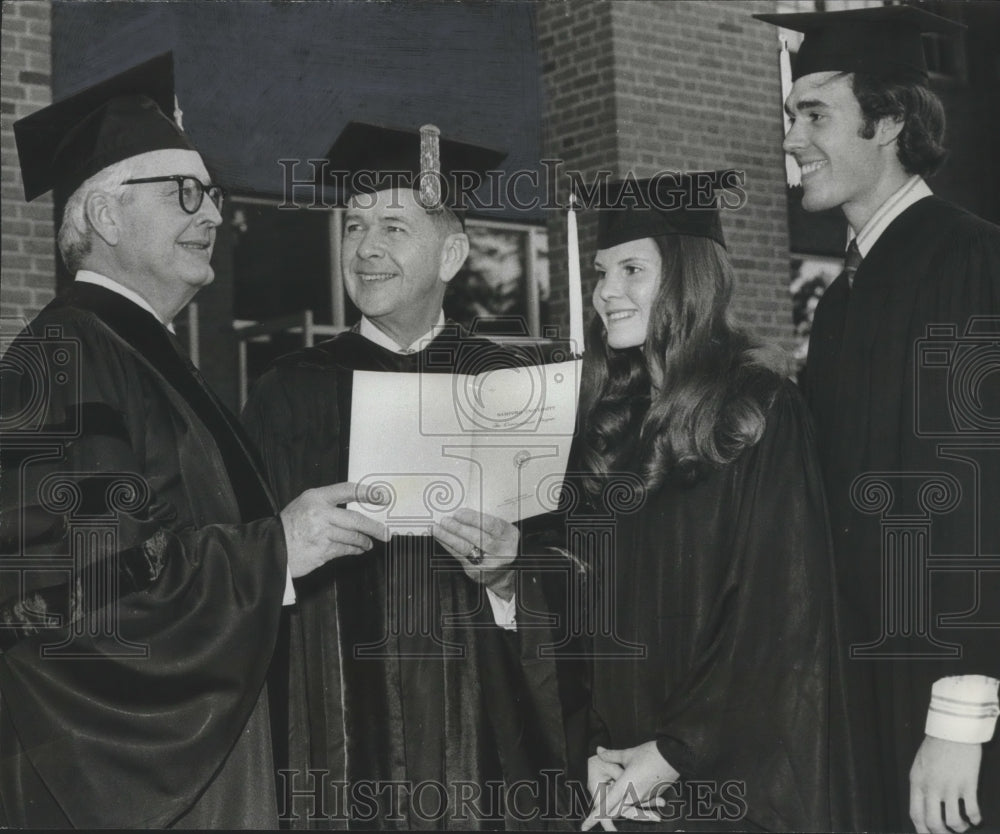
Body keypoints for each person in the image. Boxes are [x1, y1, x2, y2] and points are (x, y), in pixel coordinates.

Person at [0, 54, 388, 829]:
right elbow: (74, 608)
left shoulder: (147, 357)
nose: (212, 216)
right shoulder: (62, 360)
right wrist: (274, 548)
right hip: (123, 787)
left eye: (211, 195)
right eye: (185, 193)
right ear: (105, 217)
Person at [242, 121, 586, 830]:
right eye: (354, 226)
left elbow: (576, 570)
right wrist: (283, 547)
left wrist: (510, 577)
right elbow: (241, 564)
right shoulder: (290, 391)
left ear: (452, 253)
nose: (366, 247)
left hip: (482, 744)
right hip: (334, 734)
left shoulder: (514, 388)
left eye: (393, 227)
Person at [755, 7, 1000, 832]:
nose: (791, 138)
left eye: (815, 114)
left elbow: (978, 493)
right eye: (791, 117)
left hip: (950, 707)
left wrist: (960, 719)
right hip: (864, 689)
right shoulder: (839, 300)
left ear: (889, 120)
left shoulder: (970, 261)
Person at [574, 174, 852, 832]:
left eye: (632, 269)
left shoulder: (757, 409)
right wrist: (587, 748)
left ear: (687, 278)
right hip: (620, 771)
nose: (607, 291)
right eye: (601, 271)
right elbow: (579, 613)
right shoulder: (606, 422)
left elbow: (782, 605)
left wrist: (674, 753)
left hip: (737, 771)